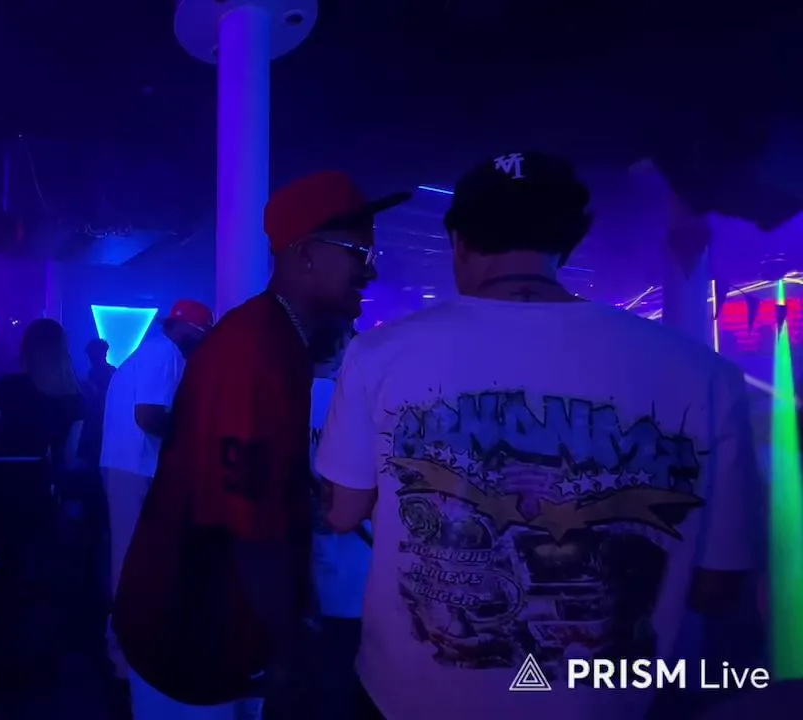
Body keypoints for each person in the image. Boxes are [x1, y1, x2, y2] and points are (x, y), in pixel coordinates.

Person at [316, 152, 764, 720]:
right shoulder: (707, 376)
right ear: (570, 241)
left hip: (405, 702)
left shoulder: (377, 354)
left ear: (458, 242)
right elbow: (717, 588)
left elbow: (342, 511)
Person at [113, 171, 410, 719]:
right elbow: (247, 524)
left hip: (210, 623)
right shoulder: (257, 349)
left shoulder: (277, 338)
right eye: (358, 252)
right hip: (191, 631)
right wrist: (290, 643)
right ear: (305, 255)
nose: (370, 270)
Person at [99, 299, 214, 680]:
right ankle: (122, 652)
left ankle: (131, 644)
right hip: (132, 466)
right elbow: (148, 416)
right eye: (203, 335)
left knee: (134, 554)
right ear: (187, 330)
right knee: (129, 556)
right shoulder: (163, 353)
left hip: (131, 465)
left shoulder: (157, 352)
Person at [296, 320, 370, 718]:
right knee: (347, 659)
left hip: (302, 545)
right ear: (342, 344)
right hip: (355, 547)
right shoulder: (355, 400)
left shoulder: (287, 395)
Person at [0, 317, 85, 465]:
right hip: (45, 477)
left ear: (27, 349)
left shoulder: (7, 385)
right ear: (62, 351)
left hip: (2, 473)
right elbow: (70, 455)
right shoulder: (74, 396)